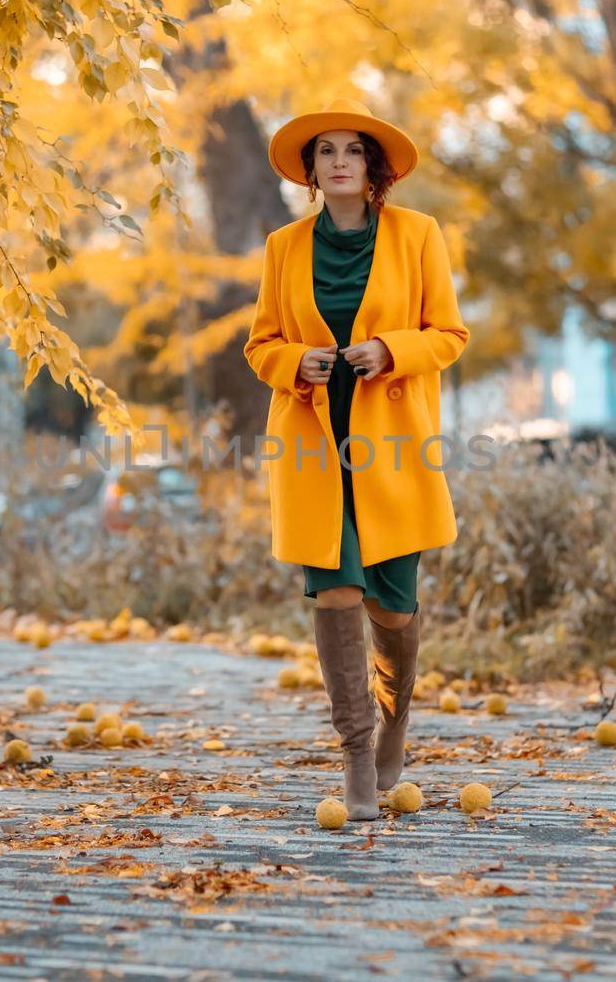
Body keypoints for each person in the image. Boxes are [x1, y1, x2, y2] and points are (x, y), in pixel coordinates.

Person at [243, 95, 469, 820]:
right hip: (312, 447)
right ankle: (356, 757)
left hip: (393, 447)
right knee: (335, 592)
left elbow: (451, 334)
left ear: (373, 168)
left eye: (352, 150)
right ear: (310, 171)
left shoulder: (417, 234)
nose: (339, 161)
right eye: (326, 152)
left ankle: (394, 725)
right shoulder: (285, 247)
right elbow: (260, 344)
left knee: (391, 607)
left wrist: (392, 349)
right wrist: (295, 361)